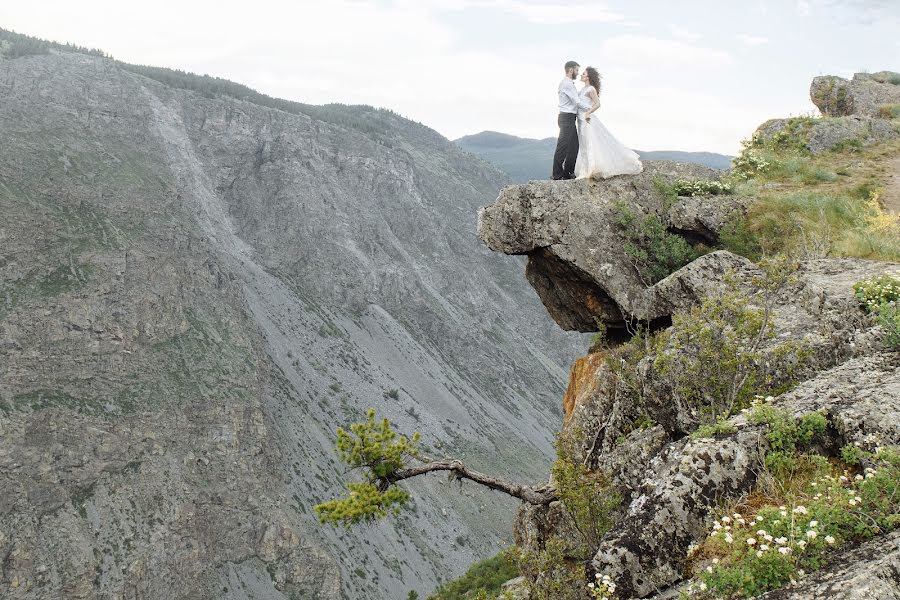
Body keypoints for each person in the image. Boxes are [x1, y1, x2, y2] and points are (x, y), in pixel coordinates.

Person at [573, 67, 643, 179]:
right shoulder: (582, 90)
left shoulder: (591, 89)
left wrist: (588, 113)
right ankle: (585, 169)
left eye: (583, 74)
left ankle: (588, 170)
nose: (581, 75)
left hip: (586, 119)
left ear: (588, 77)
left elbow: (597, 104)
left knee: (588, 144)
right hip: (580, 120)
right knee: (583, 145)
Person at [552, 61, 592, 180]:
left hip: (568, 118)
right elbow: (577, 102)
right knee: (563, 146)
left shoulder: (568, 83)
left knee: (574, 146)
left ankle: (567, 173)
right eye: (576, 70)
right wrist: (591, 109)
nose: (578, 73)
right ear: (570, 70)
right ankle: (557, 175)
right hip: (566, 118)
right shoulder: (567, 84)